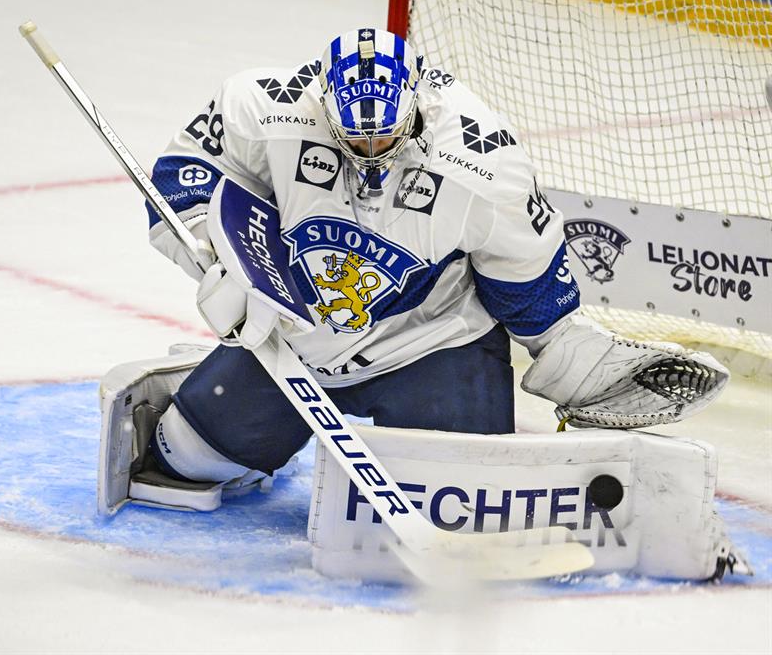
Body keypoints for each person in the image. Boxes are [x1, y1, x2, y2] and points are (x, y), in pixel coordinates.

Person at [125, 27, 728, 500]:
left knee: (462, 500)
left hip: (433, 342)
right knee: (187, 458)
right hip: (296, 342)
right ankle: (206, 396)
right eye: (352, 140)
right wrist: (217, 260)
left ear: (413, 108)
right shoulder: (265, 108)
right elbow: (184, 181)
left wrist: (565, 354)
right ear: (324, 104)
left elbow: (525, 284)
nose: (366, 156)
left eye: (381, 139)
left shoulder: (482, 161)